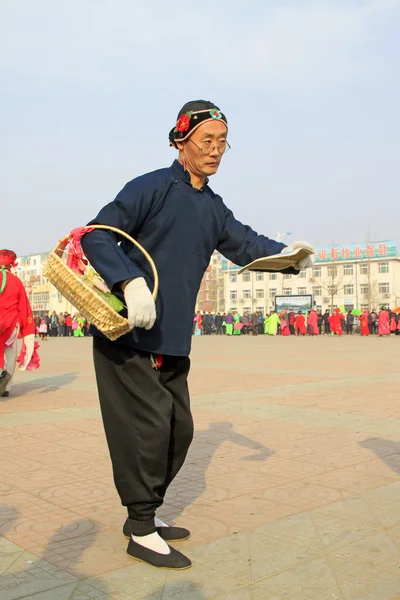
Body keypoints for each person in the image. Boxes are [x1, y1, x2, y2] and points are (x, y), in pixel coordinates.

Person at [80, 99, 314, 570]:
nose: (215, 150)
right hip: (128, 333)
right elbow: (95, 234)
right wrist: (129, 281)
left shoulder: (211, 207)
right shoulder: (151, 187)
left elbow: (246, 243)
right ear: (181, 139)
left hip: (171, 338)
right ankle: (141, 527)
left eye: (223, 142)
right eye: (207, 140)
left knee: (179, 429)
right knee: (146, 428)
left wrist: (288, 255)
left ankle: (145, 512)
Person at [0, 250, 36, 397]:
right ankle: (6, 386)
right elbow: (23, 307)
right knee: (9, 354)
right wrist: (26, 328)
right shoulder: (16, 281)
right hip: (11, 325)